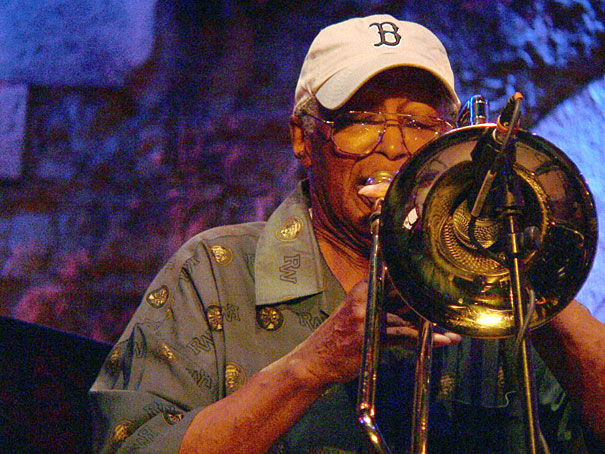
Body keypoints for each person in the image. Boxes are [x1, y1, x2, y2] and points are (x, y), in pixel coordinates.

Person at [89, 15, 605, 454]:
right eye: (360, 122)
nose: (396, 148)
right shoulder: (215, 269)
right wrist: (311, 367)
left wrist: (530, 279)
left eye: (420, 123)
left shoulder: (492, 287)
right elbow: (132, 443)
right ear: (302, 136)